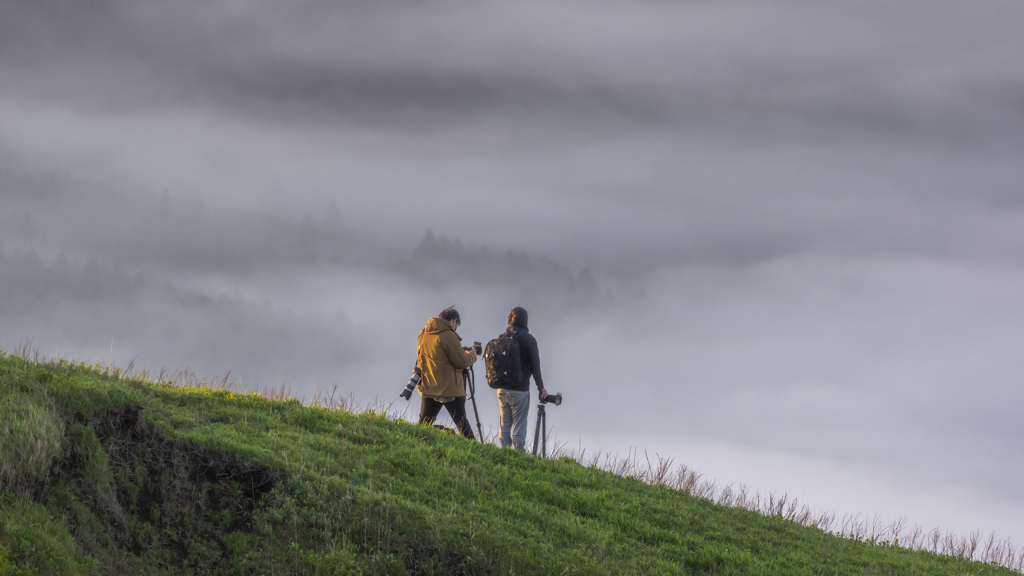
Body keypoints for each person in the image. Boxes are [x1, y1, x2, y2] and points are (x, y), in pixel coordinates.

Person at [415, 307, 478, 440]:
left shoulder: (424, 333)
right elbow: (461, 362)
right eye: (456, 326)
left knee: (422, 426)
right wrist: (472, 355)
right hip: (450, 390)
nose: (455, 329)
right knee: (463, 425)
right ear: (454, 321)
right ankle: (477, 452)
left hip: (429, 386)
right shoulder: (449, 335)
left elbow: (434, 355)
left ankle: (413, 446)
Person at [496, 306, 546, 451]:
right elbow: (535, 366)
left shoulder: (501, 338)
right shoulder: (529, 340)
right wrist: (540, 387)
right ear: (525, 321)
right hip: (520, 390)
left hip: (501, 388)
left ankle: (504, 452)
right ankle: (518, 455)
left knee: (504, 424)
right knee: (519, 425)